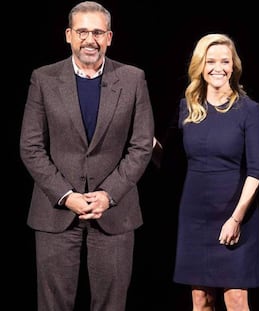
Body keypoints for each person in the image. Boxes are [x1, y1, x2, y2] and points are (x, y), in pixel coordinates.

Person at [19, 2, 154, 310]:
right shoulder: (44, 78)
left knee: (112, 305)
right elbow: (31, 146)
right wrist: (66, 195)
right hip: (55, 212)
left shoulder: (133, 79)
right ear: (68, 35)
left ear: (109, 37)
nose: (89, 40)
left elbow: (142, 144)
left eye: (97, 32)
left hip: (114, 213)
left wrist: (109, 194)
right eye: (82, 31)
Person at [172, 33, 259, 310]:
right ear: (200, 66)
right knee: (201, 300)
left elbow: (257, 170)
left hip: (236, 211)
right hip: (194, 214)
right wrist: (145, 144)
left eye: (225, 61)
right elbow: (171, 161)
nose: (218, 67)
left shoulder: (249, 110)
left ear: (233, 66)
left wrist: (236, 218)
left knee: (236, 298)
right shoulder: (187, 108)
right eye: (211, 61)